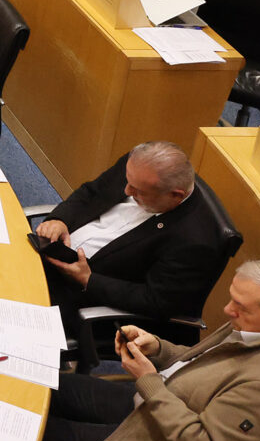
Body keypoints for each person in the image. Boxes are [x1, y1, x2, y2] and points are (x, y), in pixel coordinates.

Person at [38, 260, 260, 441]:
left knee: (38, 432)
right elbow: (207, 366)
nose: (227, 310)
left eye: (240, 307)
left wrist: (149, 382)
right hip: (161, 404)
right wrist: (159, 348)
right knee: (45, 385)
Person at [33, 142, 233, 355]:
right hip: (52, 251)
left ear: (175, 196)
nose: (127, 190)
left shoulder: (196, 243)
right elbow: (91, 192)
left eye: (137, 191)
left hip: (81, 295)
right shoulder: (138, 168)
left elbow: (154, 300)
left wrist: (88, 280)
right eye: (128, 182)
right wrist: (60, 219)